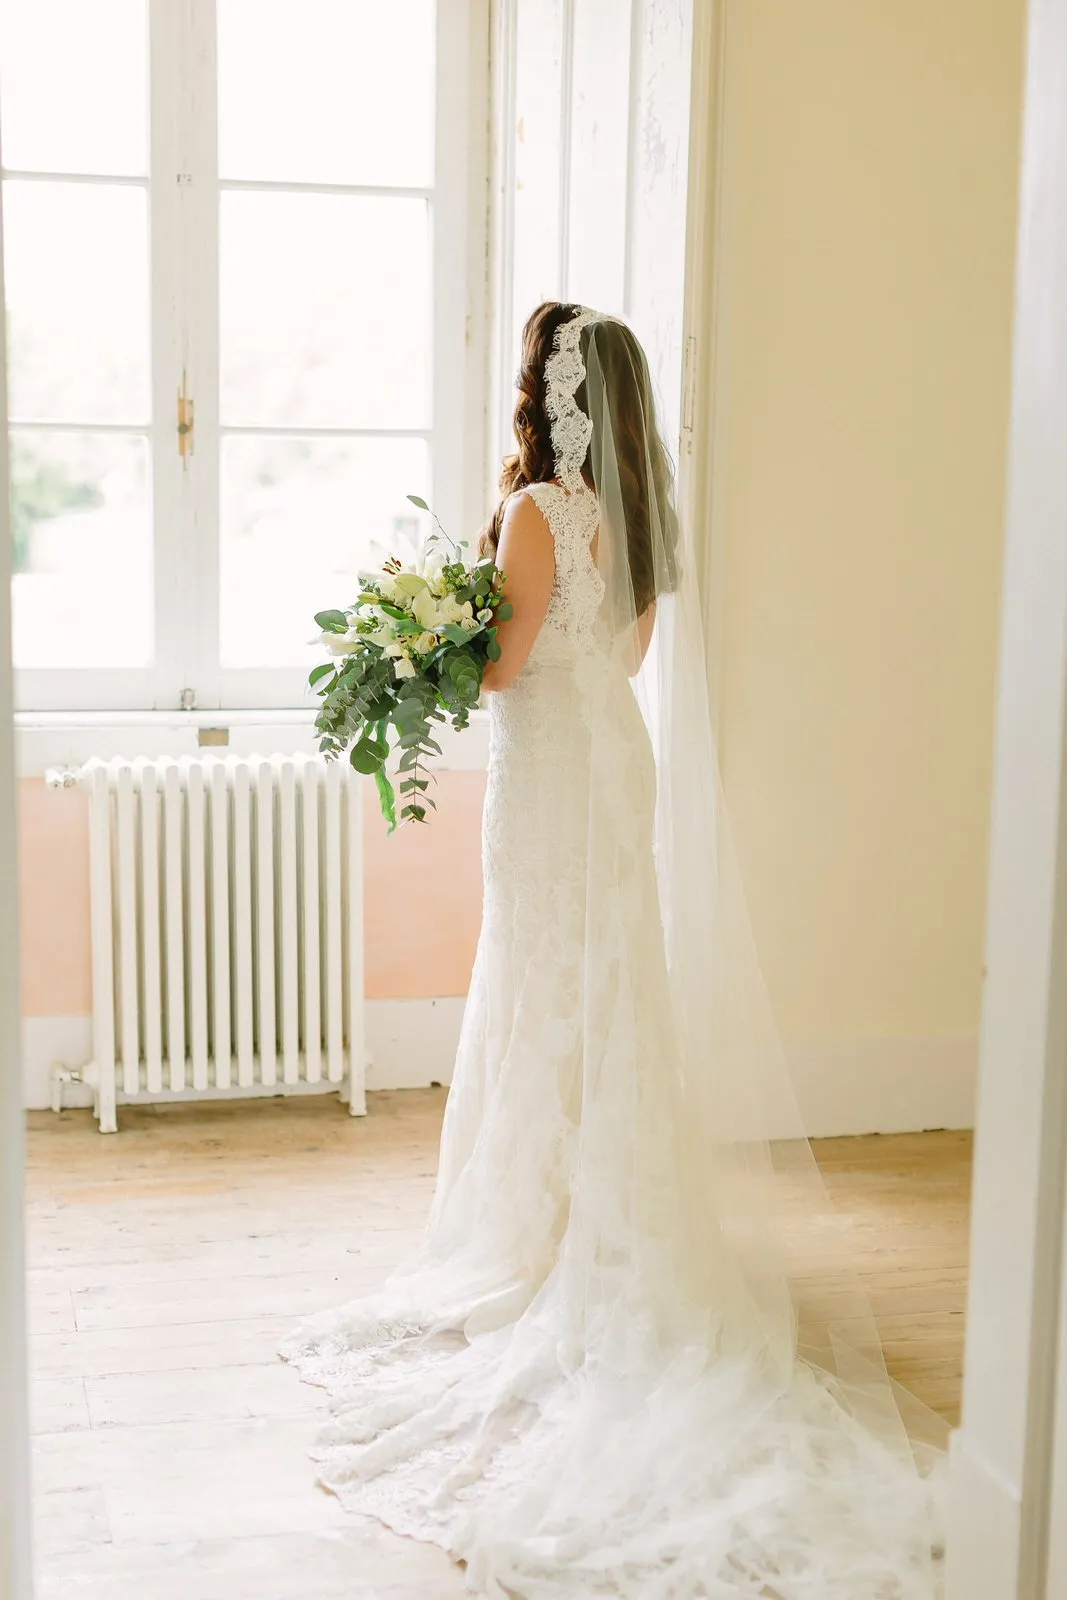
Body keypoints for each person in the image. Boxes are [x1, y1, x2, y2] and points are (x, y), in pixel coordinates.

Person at [283, 302, 944, 1599]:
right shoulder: (641, 517)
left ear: (553, 388)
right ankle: (602, 1200)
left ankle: (541, 1231)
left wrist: (414, 646)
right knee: (603, 984)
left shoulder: (539, 512)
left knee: (541, 982)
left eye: (531, 368)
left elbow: (501, 667)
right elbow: (622, 656)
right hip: (607, 766)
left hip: (549, 782)